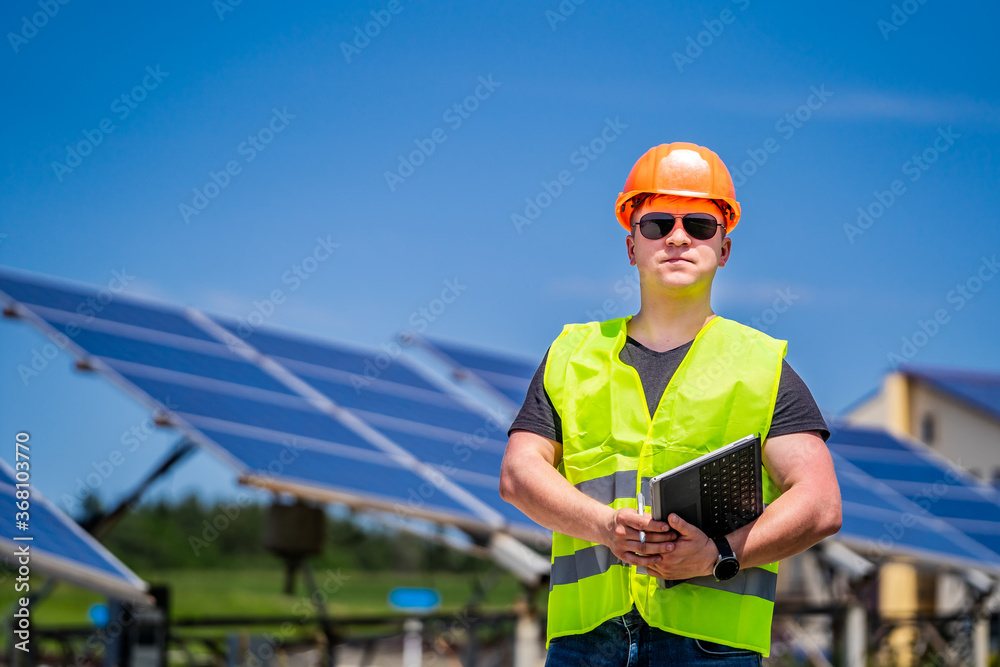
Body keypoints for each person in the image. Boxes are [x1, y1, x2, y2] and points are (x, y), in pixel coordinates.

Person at [499, 142, 842, 665]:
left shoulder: (762, 365)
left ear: (723, 248)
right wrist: (603, 527)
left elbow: (819, 503)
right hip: (584, 642)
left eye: (700, 226)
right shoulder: (571, 353)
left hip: (711, 647)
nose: (678, 236)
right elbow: (519, 474)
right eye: (657, 223)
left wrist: (717, 555)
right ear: (631, 246)